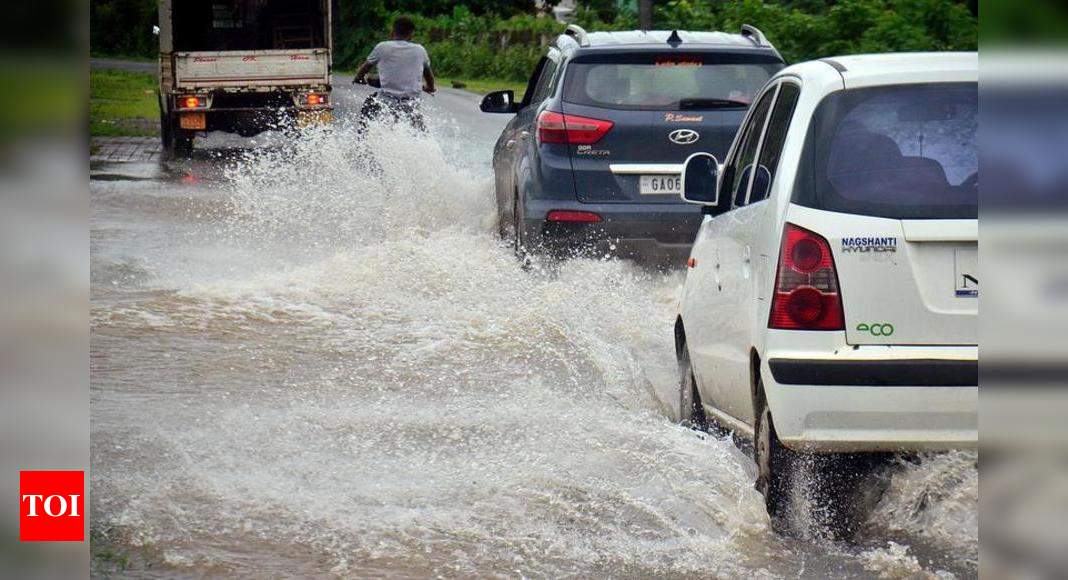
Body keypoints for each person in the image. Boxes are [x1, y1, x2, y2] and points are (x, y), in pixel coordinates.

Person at [353, 16, 436, 132]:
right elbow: (430, 78)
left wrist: (359, 78)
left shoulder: (382, 47)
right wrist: (430, 88)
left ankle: (361, 140)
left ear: (392, 32)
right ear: (411, 35)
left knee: (368, 105)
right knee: (419, 127)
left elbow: (364, 69)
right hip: (410, 103)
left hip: (385, 102)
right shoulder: (420, 50)